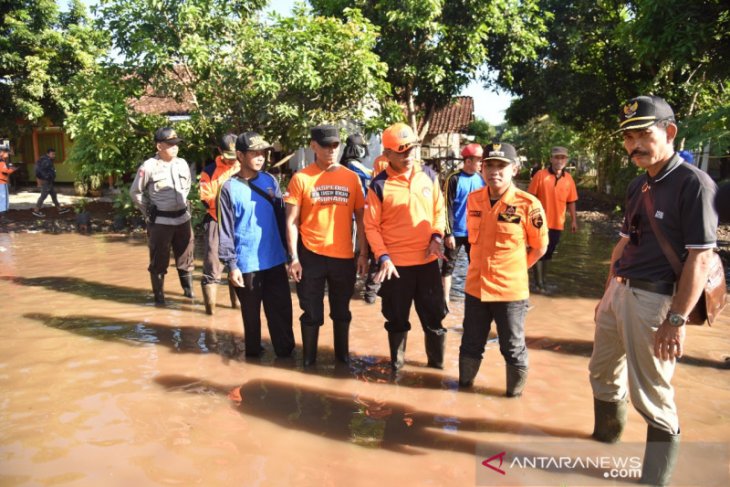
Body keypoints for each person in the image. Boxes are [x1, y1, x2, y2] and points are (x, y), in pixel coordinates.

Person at [589, 95, 718, 486]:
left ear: (670, 132)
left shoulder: (693, 184)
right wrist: (606, 293)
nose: (634, 145)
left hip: (657, 302)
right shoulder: (637, 185)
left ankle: (653, 480)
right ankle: (603, 445)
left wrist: (675, 320)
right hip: (621, 292)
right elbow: (625, 243)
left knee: (653, 397)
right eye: (628, 138)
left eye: (643, 133)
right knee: (602, 373)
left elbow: (700, 258)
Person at [458, 143, 547, 397]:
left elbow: (540, 248)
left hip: (510, 292)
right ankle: (464, 393)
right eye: (489, 165)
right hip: (475, 288)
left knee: (513, 347)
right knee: (470, 345)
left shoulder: (528, 204)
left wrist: (516, 270)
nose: (494, 171)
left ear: (514, 169)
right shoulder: (474, 199)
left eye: (501, 166)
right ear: (482, 168)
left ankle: (513, 399)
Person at [364, 122, 448, 371]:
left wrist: (436, 237)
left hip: (428, 263)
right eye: (401, 151)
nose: (408, 155)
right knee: (397, 320)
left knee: (434, 320)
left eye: (411, 149)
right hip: (395, 267)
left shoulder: (429, 176)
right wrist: (384, 257)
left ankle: (436, 370)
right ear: (387, 154)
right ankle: (397, 368)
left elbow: (439, 212)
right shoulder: (379, 185)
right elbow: (371, 227)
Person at [285, 125, 368, 365]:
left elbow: (361, 219)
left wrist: (362, 253)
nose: (331, 150)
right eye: (325, 145)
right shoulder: (301, 178)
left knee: (342, 312)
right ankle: (308, 363)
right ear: (313, 147)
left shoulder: (351, 178)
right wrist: (294, 258)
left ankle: (342, 361)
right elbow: (291, 221)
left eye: (335, 145)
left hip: (343, 257)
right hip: (310, 255)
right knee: (311, 313)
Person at [218, 132, 294, 358]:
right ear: (240, 155)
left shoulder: (270, 181)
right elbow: (225, 231)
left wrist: (291, 256)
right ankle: (252, 365)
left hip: (275, 260)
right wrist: (232, 265)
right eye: (254, 153)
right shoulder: (228, 189)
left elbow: (283, 220)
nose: (260, 157)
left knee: (281, 314)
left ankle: (287, 361)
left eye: (263, 152)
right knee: (251, 320)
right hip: (247, 265)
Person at [129, 127, 195, 304]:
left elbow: (187, 187)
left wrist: (182, 204)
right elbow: (135, 192)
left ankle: (189, 297)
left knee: (186, 258)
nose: (175, 147)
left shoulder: (182, 163)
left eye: (177, 144)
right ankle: (159, 300)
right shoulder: (149, 166)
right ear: (159, 146)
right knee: (159, 261)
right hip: (161, 221)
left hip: (183, 219)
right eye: (170, 144)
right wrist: (149, 210)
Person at [199, 134, 240, 314]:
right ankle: (211, 313)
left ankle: (238, 309)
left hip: (240, 222)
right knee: (212, 265)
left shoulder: (245, 168)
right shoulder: (209, 171)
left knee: (240, 265)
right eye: (228, 156)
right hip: (216, 220)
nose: (232, 161)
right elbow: (206, 198)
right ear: (219, 152)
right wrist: (225, 202)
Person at [527, 146, 578, 293]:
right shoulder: (540, 175)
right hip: (539, 223)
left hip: (558, 223)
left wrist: (574, 220)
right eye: (556, 157)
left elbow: (571, 201)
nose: (559, 160)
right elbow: (530, 199)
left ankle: (543, 281)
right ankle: (538, 284)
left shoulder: (568, 179)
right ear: (551, 159)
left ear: (566, 160)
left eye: (562, 157)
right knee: (537, 250)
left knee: (549, 252)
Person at [441, 143, 485, 301]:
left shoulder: (481, 179)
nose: (481, 163)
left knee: (476, 265)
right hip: (456, 232)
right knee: (448, 266)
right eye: (479, 160)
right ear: (468, 161)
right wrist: (448, 233)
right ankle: (445, 300)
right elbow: (446, 207)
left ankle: (475, 298)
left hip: (475, 232)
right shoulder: (453, 178)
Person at [340, 133, 379, 304]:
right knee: (356, 251)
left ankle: (351, 287)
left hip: (354, 213)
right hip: (356, 215)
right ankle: (352, 288)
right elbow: (374, 175)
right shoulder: (353, 165)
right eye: (362, 147)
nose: (365, 151)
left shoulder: (345, 164)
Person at [32, 148, 69, 217]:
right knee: (43, 196)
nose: (54, 155)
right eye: (52, 154)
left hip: (48, 181)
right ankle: (36, 211)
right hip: (46, 181)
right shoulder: (46, 161)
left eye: (54, 154)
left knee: (54, 194)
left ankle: (59, 209)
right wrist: (47, 177)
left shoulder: (47, 160)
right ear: (48, 154)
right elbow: (42, 171)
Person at [0, 147, 17, 220]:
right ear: (1, 152)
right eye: (6, 152)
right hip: (1, 182)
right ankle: (3, 216)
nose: (7, 154)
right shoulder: (1, 161)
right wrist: (12, 169)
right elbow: (5, 171)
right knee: (4, 198)